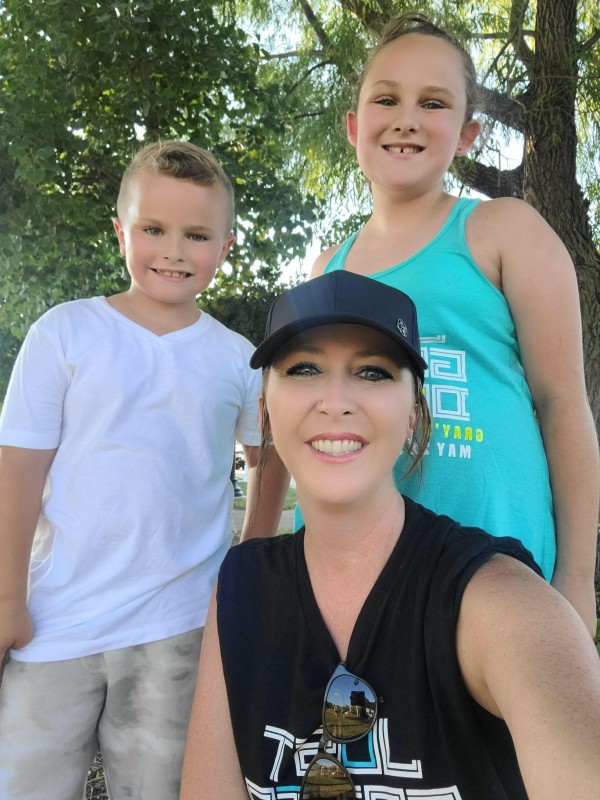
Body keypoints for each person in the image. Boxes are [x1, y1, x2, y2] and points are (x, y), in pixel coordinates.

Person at [180, 271, 600, 800]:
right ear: (266, 411)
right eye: (304, 369)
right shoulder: (242, 585)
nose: (335, 400)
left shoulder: (495, 598)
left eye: (372, 372)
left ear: (413, 417)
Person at [0, 140, 288, 800]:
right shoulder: (64, 333)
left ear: (225, 247)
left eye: (197, 235)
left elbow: (267, 458)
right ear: (120, 231)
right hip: (54, 620)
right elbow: (18, 470)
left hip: (177, 626)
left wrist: (251, 558)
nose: (174, 251)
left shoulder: (238, 359)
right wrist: (8, 597)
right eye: (153, 229)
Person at [303, 12, 599, 635]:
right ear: (354, 126)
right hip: (358, 585)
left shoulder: (504, 230)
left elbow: (563, 404)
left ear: (467, 135)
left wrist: (576, 579)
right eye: (387, 99)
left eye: (433, 103)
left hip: (499, 575)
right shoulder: (327, 269)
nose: (406, 118)